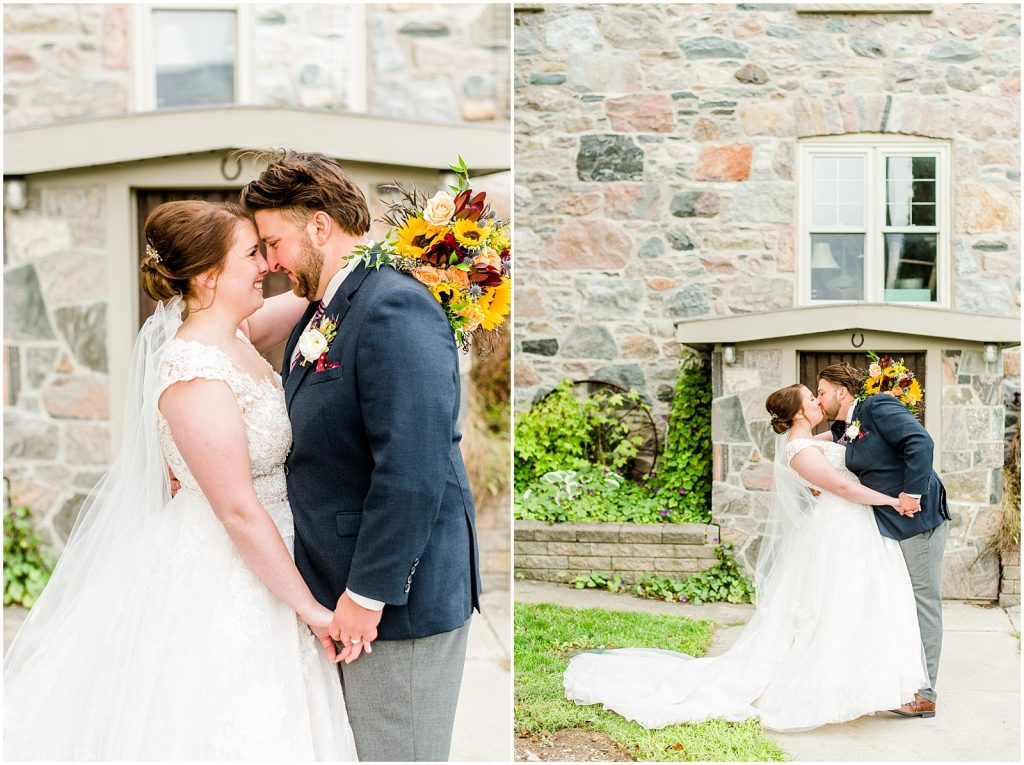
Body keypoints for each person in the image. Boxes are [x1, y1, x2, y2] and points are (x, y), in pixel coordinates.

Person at [3, 200, 357, 760]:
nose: (265, 263)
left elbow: (313, 299)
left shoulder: (236, 333)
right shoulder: (194, 369)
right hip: (228, 567)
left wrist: (376, 255)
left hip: (275, 554)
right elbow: (238, 510)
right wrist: (311, 610)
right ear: (207, 275)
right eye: (251, 253)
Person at [240, 150, 481, 762]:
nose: (270, 262)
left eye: (273, 243)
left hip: (394, 604)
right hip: (338, 593)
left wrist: (367, 595)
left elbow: (413, 467)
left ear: (320, 226)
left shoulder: (393, 307)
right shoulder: (328, 309)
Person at [563, 383, 928, 732]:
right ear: (800, 412)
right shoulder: (798, 449)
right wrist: (896, 500)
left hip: (851, 528)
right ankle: (819, 689)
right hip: (839, 527)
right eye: (812, 398)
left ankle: (860, 685)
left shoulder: (809, 440)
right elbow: (844, 487)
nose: (819, 401)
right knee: (825, 610)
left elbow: (843, 442)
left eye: (819, 394)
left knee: (854, 608)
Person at [817, 362, 950, 718]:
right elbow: (839, 440)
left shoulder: (876, 405)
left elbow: (920, 442)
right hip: (891, 523)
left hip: (916, 518)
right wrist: (799, 441)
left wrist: (912, 493)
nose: (819, 399)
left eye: (822, 391)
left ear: (841, 392)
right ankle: (901, 681)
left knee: (923, 602)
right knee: (899, 603)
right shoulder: (852, 423)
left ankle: (925, 695)